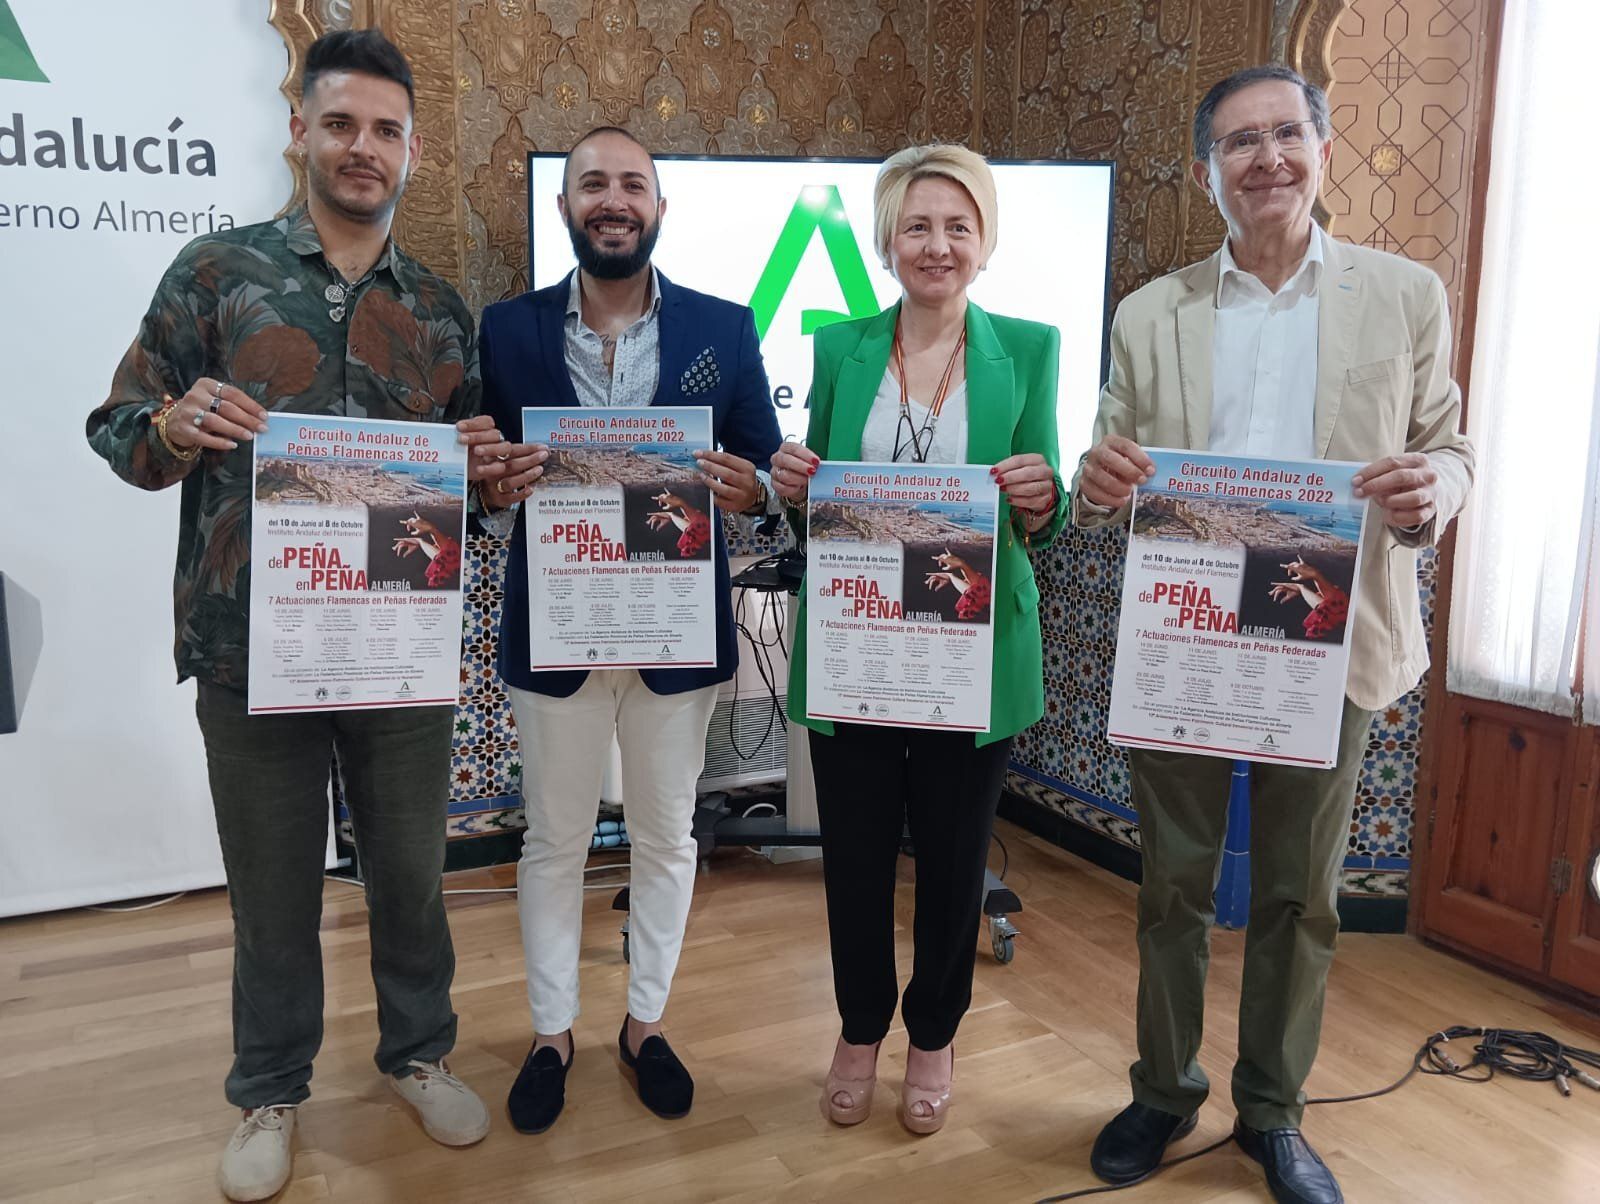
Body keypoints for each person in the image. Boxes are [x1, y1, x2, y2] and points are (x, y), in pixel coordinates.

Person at [84, 30, 519, 1203]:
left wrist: (483, 474)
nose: (362, 148)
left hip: (398, 648)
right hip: (249, 650)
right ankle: (269, 1088)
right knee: (272, 887)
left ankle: (418, 1053)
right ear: (299, 131)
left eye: (384, 130)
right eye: (341, 124)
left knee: (413, 877)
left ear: (411, 151)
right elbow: (116, 426)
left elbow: (465, 488)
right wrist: (171, 427)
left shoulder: (437, 310)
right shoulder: (214, 274)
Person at [1073, 64, 1474, 1204]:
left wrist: (1433, 489)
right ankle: (1161, 1086)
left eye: (1284, 135)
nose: (1266, 160)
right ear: (1208, 173)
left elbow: (1452, 446)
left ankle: (1274, 1108)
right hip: (1189, 634)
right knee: (1172, 888)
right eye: (1239, 143)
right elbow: (1104, 462)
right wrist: (1096, 477)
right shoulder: (1149, 313)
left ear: (1322, 147)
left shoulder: (1404, 297)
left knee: (1302, 894)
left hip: (1326, 638)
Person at [475, 126, 782, 1135]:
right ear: (565, 208)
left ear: (658, 208)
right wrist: (491, 490)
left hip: (671, 635)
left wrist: (749, 492)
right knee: (554, 839)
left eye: (632, 185)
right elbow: (479, 500)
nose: (612, 199)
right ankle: (552, 1031)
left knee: (665, 835)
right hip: (554, 632)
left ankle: (644, 1023)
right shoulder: (506, 331)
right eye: (590, 184)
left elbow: (765, 477)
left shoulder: (725, 330)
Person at [771, 144, 1065, 1136]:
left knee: (950, 861)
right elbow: (816, 493)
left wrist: (1043, 495)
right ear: (887, 239)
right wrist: (795, 482)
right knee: (852, 856)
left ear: (983, 241)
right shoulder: (838, 346)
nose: (935, 244)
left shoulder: (1026, 346)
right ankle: (859, 1028)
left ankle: (933, 1033)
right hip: (860, 642)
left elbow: (1045, 503)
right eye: (915, 225)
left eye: (956, 225)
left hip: (972, 656)